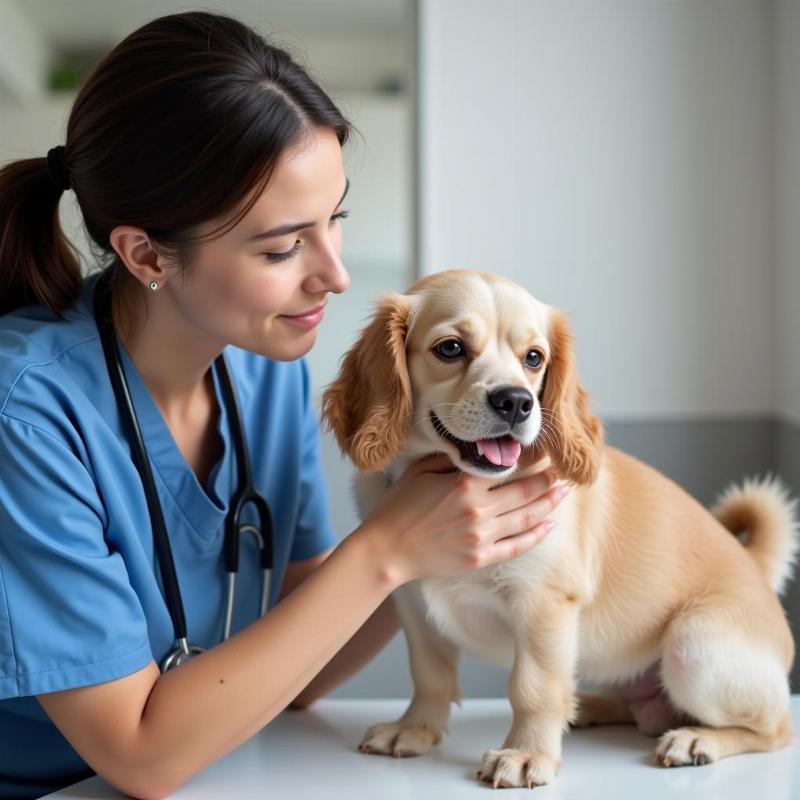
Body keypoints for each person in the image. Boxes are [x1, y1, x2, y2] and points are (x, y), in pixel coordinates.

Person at [0, 10, 566, 799]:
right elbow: (139, 753)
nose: (335, 275)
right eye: (282, 247)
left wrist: (443, 524)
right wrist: (387, 548)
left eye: (335, 220)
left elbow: (298, 660)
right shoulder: (25, 413)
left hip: (228, 773)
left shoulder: (263, 373)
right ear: (146, 253)